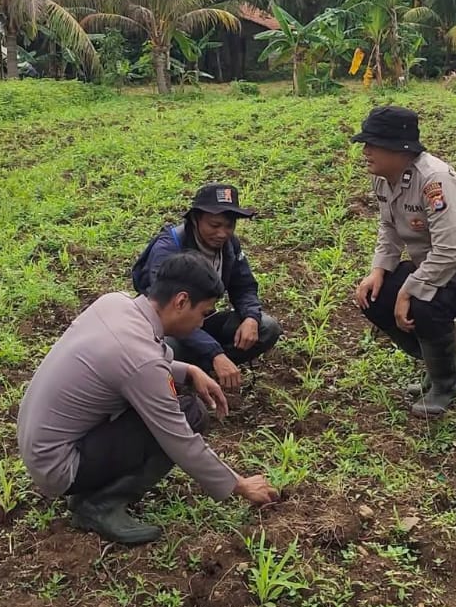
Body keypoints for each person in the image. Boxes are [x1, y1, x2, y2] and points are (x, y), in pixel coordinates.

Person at [18, 251, 278, 545]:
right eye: (203, 313)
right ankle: (98, 506)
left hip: (42, 447)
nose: (202, 324)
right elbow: (178, 438)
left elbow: (134, 360)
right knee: (190, 414)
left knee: (176, 402)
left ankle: (93, 492)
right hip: (60, 466)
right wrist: (239, 484)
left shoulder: (114, 303)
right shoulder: (141, 361)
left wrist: (189, 370)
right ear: (181, 301)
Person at [351, 104, 456, 416]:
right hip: (439, 264)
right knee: (373, 296)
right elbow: (389, 227)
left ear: (400, 148)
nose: (365, 151)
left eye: (373, 144)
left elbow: (450, 251)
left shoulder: (434, 181)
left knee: (424, 301)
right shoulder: (383, 179)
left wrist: (407, 291)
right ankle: (442, 364)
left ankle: (447, 382)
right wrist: (378, 270)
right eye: (365, 143)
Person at [131, 183, 282, 394]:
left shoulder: (229, 245)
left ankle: (206, 371)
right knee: (166, 349)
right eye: (214, 225)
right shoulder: (169, 248)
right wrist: (215, 352)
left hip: (201, 320)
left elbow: (244, 285)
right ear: (196, 219)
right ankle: (181, 377)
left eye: (229, 226)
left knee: (266, 327)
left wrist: (251, 317)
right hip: (169, 327)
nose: (222, 233)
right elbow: (166, 311)